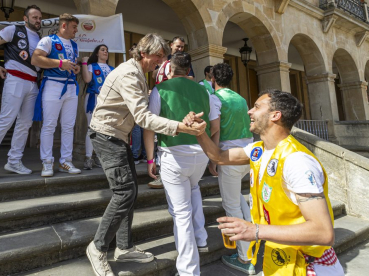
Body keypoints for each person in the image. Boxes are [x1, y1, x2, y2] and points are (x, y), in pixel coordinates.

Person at [85, 34, 207, 276]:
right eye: (158, 56)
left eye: (164, 57)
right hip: (107, 135)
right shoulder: (130, 74)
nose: (162, 61)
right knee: (124, 192)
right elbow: (143, 118)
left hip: (118, 136)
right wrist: (181, 127)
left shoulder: (138, 73)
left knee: (129, 191)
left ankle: (124, 247)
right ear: (143, 53)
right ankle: (97, 248)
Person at [187, 89, 344, 276]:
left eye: (256, 107)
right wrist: (200, 132)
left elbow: (323, 232)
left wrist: (254, 230)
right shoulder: (258, 150)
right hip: (280, 261)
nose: (249, 112)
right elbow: (219, 156)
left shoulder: (296, 161)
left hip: (308, 266)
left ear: (275, 115)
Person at [144, 51, 219, 276]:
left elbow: (149, 125)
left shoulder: (160, 89)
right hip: (201, 152)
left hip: (173, 154)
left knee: (180, 212)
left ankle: (188, 271)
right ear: (189, 70)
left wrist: (150, 158)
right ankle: (201, 237)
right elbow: (214, 125)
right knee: (194, 188)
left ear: (170, 69)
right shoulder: (205, 90)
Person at [208, 63, 255, 275]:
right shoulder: (241, 98)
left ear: (213, 79)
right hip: (248, 154)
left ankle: (245, 258)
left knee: (232, 206)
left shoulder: (215, 98)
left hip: (229, 155)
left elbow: (215, 128)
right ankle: (251, 245)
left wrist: (213, 157)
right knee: (239, 200)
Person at [0, 5, 42, 181]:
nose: (38, 20)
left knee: (25, 123)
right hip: (15, 79)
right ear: (25, 18)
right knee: (5, 119)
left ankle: (14, 161)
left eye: (39, 18)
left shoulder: (40, 37)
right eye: (34, 17)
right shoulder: (14, 29)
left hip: (32, 82)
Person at [31, 13, 81, 177]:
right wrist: (60, 63)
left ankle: (66, 161)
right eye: (74, 27)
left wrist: (75, 68)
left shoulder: (74, 45)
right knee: (49, 125)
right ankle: (47, 162)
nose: (76, 30)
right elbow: (35, 59)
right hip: (52, 83)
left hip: (71, 86)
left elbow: (71, 64)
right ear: (64, 26)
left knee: (68, 126)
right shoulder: (48, 40)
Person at [81, 44, 114, 170]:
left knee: (105, 130)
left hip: (108, 101)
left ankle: (100, 157)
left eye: (106, 50)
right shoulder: (91, 66)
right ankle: (88, 158)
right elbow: (87, 79)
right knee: (92, 128)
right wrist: (84, 63)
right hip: (93, 98)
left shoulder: (112, 68)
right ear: (97, 54)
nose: (105, 51)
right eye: (102, 50)